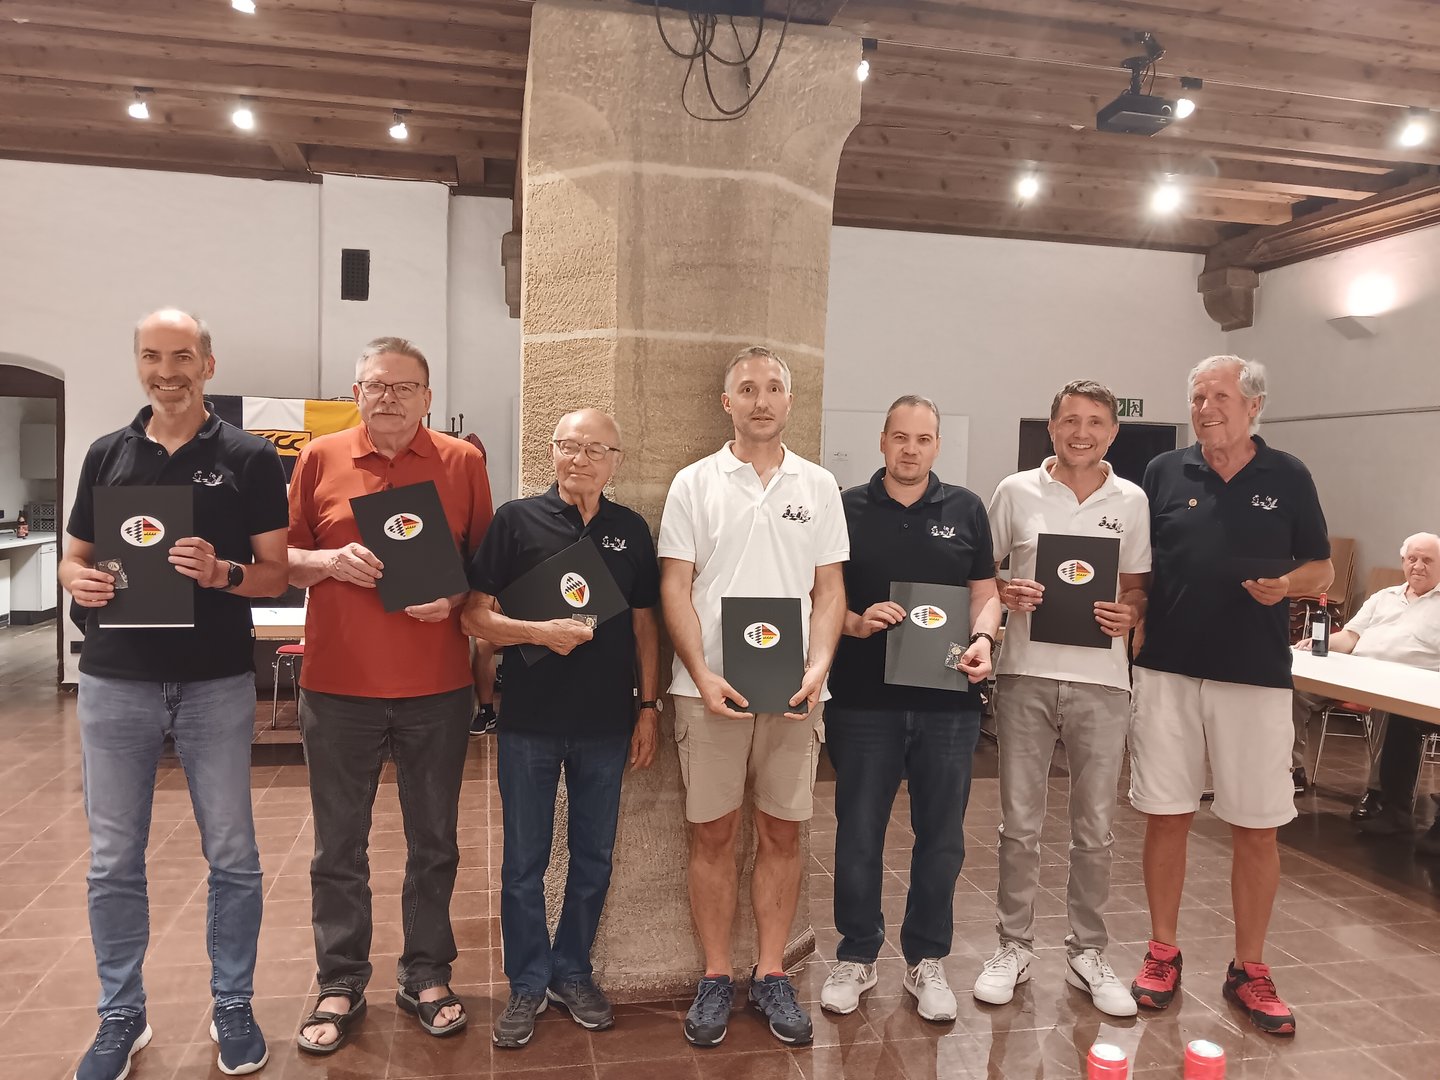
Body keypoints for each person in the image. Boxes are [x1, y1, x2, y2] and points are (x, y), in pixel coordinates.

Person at [59, 308, 289, 1080]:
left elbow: (275, 573)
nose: (168, 371)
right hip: (114, 682)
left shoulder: (251, 458)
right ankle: (121, 1014)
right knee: (112, 860)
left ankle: (233, 1004)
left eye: (183, 356)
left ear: (208, 366)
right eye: (154, 357)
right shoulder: (105, 454)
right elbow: (75, 558)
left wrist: (223, 573)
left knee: (233, 854)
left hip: (215, 683)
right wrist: (79, 580)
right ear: (138, 365)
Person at [286, 336, 493, 1053]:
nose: (389, 398)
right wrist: (327, 559)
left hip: (436, 689)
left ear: (428, 397)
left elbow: (484, 569)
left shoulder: (463, 463)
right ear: (357, 392)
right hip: (336, 689)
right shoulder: (320, 457)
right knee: (337, 847)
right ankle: (340, 979)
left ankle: (426, 974)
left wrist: (454, 596)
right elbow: (282, 558)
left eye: (405, 387)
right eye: (376, 385)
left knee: (434, 843)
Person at [1128, 355, 1332, 1036]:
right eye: (1196, 397)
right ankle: (1162, 952)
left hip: (1254, 674)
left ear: (1254, 405)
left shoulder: (1289, 475)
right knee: (1166, 815)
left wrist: (1288, 586)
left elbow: (1322, 567)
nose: (1205, 408)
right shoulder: (1163, 472)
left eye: (1219, 396)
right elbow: (1140, 570)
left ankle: (1250, 968)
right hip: (1168, 671)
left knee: (1256, 825)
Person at [659, 346, 848, 1048]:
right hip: (709, 690)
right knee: (712, 833)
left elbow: (829, 590)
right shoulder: (694, 483)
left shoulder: (819, 485)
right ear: (727, 402)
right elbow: (675, 585)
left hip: (794, 691)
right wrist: (701, 673)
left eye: (773, 388)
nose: (761, 400)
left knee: (782, 832)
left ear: (790, 401)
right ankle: (716, 975)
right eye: (747, 389)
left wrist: (819, 666)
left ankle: (771, 973)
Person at [463, 408, 660, 1047]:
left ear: (615, 461)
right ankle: (526, 981)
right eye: (569, 447)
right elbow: (473, 618)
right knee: (524, 862)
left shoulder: (630, 530)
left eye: (595, 449)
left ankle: (572, 971)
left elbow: (645, 625)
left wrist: (649, 707)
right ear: (552, 452)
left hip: (606, 725)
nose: (580, 459)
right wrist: (538, 632)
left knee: (594, 857)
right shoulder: (516, 521)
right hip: (530, 725)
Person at [817, 395, 1001, 1023]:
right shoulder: (845, 508)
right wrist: (854, 621)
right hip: (863, 702)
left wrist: (984, 638)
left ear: (937, 446)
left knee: (941, 839)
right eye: (900, 437)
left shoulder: (966, 509)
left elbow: (985, 592)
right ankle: (857, 954)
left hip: (948, 706)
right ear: (883, 440)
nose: (910, 449)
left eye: (923, 439)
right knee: (858, 834)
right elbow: (820, 594)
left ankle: (927, 959)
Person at [971, 381, 1150, 1018]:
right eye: (1070, 420)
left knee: (1095, 829)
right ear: (1051, 428)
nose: (1082, 432)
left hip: (1104, 684)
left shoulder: (1131, 501)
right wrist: (1007, 592)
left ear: (1112, 432)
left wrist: (1130, 614)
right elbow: (983, 577)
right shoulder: (1015, 492)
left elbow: (1136, 589)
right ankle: (1013, 946)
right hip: (1025, 676)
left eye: (1095, 422)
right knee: (1019, 825)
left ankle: (1087, 952)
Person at [1294, 534, 1440, 841]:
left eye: (1427, 560)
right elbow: (1350, 637)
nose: (1418, 566)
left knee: (1393, 707)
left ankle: (1379, 794)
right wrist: (1320, 642)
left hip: (1406, 684)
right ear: (1403, 561)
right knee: (1294, 690)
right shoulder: (1384, 596)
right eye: (1412, 559)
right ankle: (1290, 770)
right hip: (1355, 672)